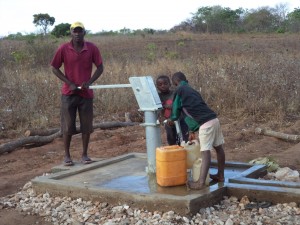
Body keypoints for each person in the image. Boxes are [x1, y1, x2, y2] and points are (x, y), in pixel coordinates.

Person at [51, 22, 104, 166]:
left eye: (80, 31)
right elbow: (54, 67)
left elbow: (100, 67)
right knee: (67, 126)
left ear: (84, 33)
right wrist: (69, 83)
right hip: (69, 93)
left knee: (86, 126)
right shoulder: (63, 48)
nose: (77, 34)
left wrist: (90, 81)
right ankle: (67, 156)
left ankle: (85, 155)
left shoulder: (91, 48)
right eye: (75, 31)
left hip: (86, 94)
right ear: (71, 33)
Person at [167, 71, 225, 189]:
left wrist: (172, 119)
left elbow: (176, 109)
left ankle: (200, 183)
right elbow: (193, 109)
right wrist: (192, 130)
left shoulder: (179, 90)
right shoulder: (192, 91)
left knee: (205, 152)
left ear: (175, 83)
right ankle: (220, 175)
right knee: (219, 148)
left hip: (206, 124)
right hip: (214, 120)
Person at [156, 75, 189, 145]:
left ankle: (184, 152)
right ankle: (174, 153)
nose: (163, 86)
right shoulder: (157, 96)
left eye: (165, 83)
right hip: (168, 121)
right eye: (160, 84)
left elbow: (177, 106)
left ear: (170, 84)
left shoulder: (175, 93)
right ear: (157, 87)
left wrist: (164, 106)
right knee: (171, 138)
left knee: (184, 138)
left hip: (180, 119)